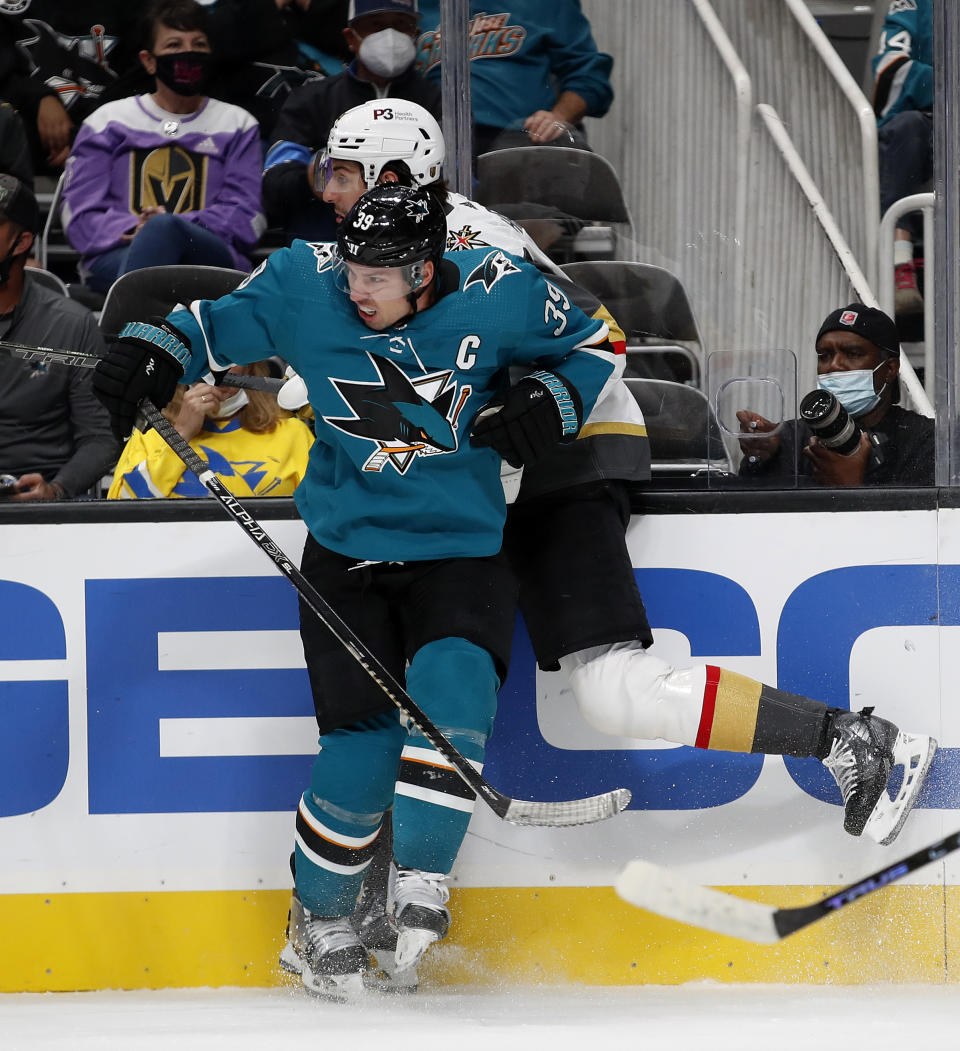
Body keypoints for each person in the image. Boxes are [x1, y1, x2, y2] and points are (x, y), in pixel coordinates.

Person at [277, 101, 939, 992]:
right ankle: (366, 904)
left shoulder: (470, 236)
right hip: (482, 485)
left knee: (610, 688)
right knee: (411, 694)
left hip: (558, 465)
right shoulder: (369, 259)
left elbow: (600, 342)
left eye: (347, 173)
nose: (332, 189)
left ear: (397, 177)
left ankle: (855, 742)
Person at [90, 183, 621, 998]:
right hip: (346, 550)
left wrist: (551, 397)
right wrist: (148, 347)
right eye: (353, 270)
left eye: (377, 277)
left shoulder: (499, 286)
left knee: (455, 691)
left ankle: (423, 876)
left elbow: (599, 341)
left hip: (462, 546)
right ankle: (320, 916)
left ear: (424, 268)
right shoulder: (308, 276)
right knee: (364, 746)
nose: (356, 287)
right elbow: (201, 328)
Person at [60, 0, 266, 295]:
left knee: (162, 232)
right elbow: (79, 215)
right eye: (173, 45)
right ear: (149, 61)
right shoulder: (106, 120)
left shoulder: (238, 123)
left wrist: (173, 228)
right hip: (117, 256)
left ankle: (129, 335)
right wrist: (140, 230)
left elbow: (247, 216)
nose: (188, 53)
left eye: (198, 44)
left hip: (209, 261)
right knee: (156, 248)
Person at [261, 0, 440, 243]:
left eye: (401, 25)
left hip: (413, 240)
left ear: (415, 36)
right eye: (376, 26)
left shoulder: (437, 101)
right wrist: (323, 174)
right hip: (324, 243)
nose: (390, 36)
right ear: (351, 38)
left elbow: (457, 177)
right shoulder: (311, 99)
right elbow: (274, 183)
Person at [0, 173, 117, 500]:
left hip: (35, 500)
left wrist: (55, 490)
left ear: (21, 243)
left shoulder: (71, 324)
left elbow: (100, 437)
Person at [736, 304, 934, 487]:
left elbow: (925, 520)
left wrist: (850, 487)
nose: (833, 365)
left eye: (853, 354)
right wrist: (764, 457)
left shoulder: (924, 440)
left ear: (890, 369)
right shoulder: (791, 437)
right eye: (824, 356)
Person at [414, 0, 613, 155]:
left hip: (519, 141)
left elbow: (589, 75)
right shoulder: (414, 7)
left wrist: (558, 117)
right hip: (430, 141)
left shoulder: (546, 5)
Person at [107, 363, 313, 498]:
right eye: (207, 359)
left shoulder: (291, 434)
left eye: (229, 358)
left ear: (250, 367)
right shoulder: (151, 433)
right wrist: (180, 434)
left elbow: (323, 514)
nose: (217, 370)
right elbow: (121, 512)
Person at [0, 2, 147, 175]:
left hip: (112, 144)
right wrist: (40, 97)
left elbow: (142, 77)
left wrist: (85, 133)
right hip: (22, 153)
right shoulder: (8, 8)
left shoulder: (137, 10)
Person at [872, 0, 932, 318]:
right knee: (905, 128)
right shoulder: (915, 3)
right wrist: (948, 87)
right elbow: (890, 65)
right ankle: (901, 263)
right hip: (932, 120)